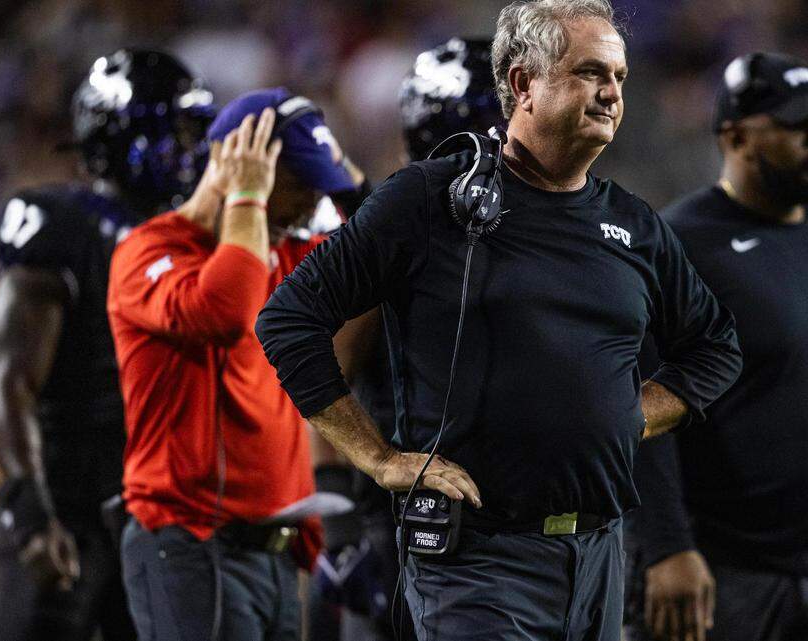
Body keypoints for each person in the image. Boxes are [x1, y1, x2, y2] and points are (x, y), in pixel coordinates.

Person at [255, 1, 742, 639]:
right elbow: (289, 319)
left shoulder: (636, 223)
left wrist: (631, 415)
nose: (611, 94)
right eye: (591, 72)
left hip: (600, 557)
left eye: (619, 77)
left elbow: (715, 347)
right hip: (476, 566)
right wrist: (377, 459)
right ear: (522, 84)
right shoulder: (430, 199)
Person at [626, 52, 808, 641]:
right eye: (798, 125)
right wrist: (666, 547)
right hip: (725, 568)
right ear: (736, 135)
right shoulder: (679, 244)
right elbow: (636, 409)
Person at [107, 89, 366, 641]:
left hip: (273, 554)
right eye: (300, 182)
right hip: (191, 543)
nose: (310, 201)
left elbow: (377, 247)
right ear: (234, 162)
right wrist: (245, 194)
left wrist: (344, 169)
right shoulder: (149, 251)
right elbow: (226, 311)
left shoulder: (283, 249)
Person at [0, 48, 213, 641]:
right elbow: (9, 381)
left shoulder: (187, 238)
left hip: (151, 517)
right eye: (179, 131)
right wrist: (32, 513)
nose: (193, 150)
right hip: (66, 511)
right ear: (131, 136)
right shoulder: (62, 223)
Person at [308, 36, 505, 641]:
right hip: (401, 523)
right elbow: (323, 371)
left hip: (504, 526)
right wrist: (339, 526)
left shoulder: (534, 227)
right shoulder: (397, 226)